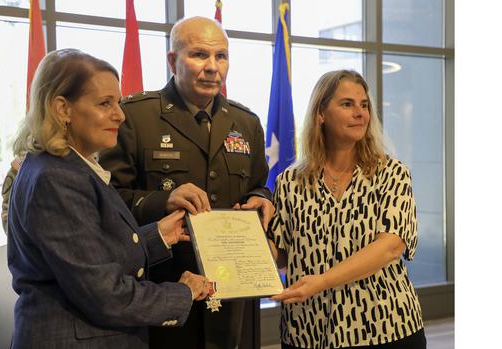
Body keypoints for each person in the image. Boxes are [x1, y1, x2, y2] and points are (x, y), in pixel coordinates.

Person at [7, 48, 212, 349]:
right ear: (62, 109)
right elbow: (104, 295)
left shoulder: (68, 166)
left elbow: (94, 253)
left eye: (117, 102)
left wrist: (157, 237)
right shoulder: (57, 178)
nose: (120, 114)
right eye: (105, 104)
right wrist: (183, 293)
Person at [99, 16, 275, 349]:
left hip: (234, 291)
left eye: (221, 56)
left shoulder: (246, 122)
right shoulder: (134, 117)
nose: (213, 67)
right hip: (165, 288)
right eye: (199, 55)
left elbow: (258, 184)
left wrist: (261, 197)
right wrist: (161, 201)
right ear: (172, 61)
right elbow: (107, 202)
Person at [267, 70, 426, 349]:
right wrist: (247, 236)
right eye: (347, 104)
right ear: (321, 114)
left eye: (364, 105)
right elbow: (282, 256)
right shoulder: (290, 182)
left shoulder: (392, 174)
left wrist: (323, 281)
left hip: (384, 328)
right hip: (308, 330)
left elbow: (389, 247)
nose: (360, 113)